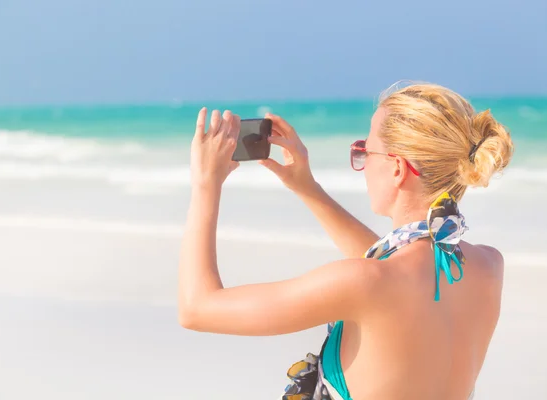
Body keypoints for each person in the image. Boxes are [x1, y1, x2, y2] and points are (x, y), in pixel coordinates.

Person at [178, 82, 514, 400]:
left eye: (364, 151)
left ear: (397, 168)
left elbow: (197, 308)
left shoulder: (366, 283)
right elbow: (392, 269)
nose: (362, 164)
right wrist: (306, 188)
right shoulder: (487, 267)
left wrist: (206, 184)